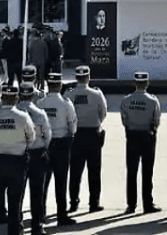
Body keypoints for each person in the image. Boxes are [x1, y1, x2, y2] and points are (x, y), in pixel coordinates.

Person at [0, 87, 35, 235]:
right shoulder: (23, 117)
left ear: (2, 98)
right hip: (17, 164)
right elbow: (31, 139)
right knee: (14, 204)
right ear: (16, 99)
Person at [37, 72, 77, 227]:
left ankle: (40, 214)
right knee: (61, 182)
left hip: (44, 145)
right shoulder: (66, 103)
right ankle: (61, 215)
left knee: (43, 182)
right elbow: (72, 125)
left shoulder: (40, 103)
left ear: (48, 84)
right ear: (60, 86)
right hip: (62, 144)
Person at [67, 65, 108, 213]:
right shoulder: (97, 94)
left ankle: (73, 202)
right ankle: (94, 202)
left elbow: (68, 117)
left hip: (76, 135)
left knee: (75, 171)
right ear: (88, 77)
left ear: (76, 77)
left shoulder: (69, 94)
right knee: (94, 170)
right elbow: (103, 113)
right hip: (93, 134)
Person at [121, 71, 161, 215]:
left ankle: (131, 205)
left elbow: (124, 120)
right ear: (147, 83)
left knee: (131, 172)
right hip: (147, 136)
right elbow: (156, 121)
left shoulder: (126, 100)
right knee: (147, 172)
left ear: (135, 83)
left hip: (132, 136)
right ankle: (147, 204)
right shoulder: (152, 100)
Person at [15, 82, 52, 235]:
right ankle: (37, 225)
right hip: (37, 154)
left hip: (17, 155)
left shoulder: (14, 113)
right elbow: (47, 136)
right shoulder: (39, 113)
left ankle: (17, 225)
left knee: (17, 193)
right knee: (37, 192)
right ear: (32, 95)